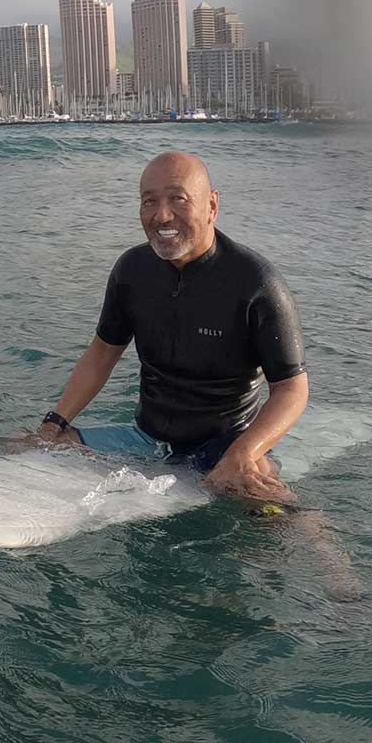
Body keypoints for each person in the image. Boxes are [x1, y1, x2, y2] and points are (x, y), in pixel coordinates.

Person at [35, 151, 308, 504]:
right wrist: (55, 422)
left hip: (222, 446)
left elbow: (291, 390)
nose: (162, 215)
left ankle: (330, 556)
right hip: (144, 440)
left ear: (212, 206)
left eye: (178, 199)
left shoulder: (256, 283)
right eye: (149, 201)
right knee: (37, 448)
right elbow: (103, 353)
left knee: (275, 515)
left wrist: (245, 452)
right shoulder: (132, 271)